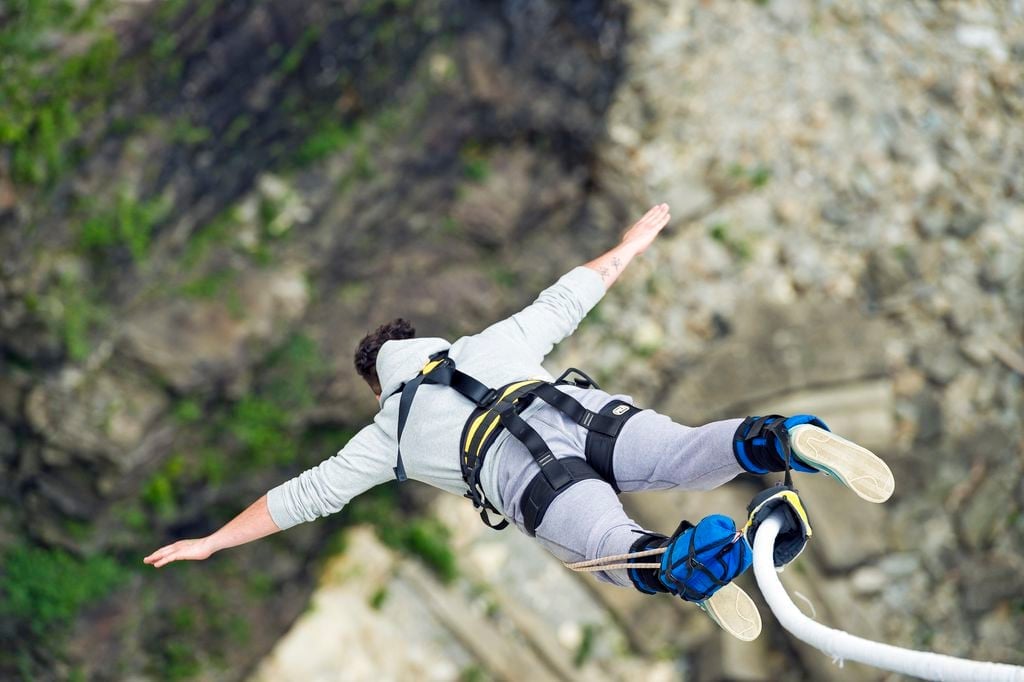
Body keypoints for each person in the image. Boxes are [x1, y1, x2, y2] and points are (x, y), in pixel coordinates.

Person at [144, 204, 894, 640]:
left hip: (531, 477)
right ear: (425, 342)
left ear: (380, 382)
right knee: (685, 453)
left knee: (612, 544)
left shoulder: (387, 436)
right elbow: (571, 294)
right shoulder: (487, 344)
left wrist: (211, 541)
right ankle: (776, 439)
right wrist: (632, 243)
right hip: (587, 415)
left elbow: (300, 497)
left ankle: (683, 566)